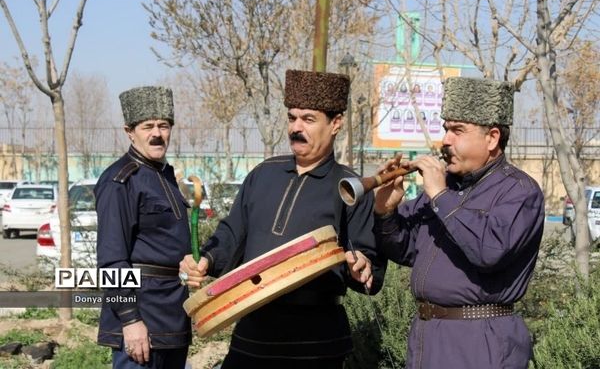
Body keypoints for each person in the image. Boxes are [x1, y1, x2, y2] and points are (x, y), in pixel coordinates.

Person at [180, 69, 386, 369]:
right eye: (292, 118)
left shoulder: (351, 187)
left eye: (308, 119)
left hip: (315, 346)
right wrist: (206, 259)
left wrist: (361, 266)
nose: (296, 128)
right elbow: (232, 234)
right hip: (252, 336)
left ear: (336, 123)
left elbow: (370, 265)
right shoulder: (263, 174)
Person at [373, 77, 544, 369]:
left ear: (491, 138)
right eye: (445, 129)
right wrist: (386, 211)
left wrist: (440, 195)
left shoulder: (520, 191)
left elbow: (489, 251)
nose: (446, 140)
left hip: (480, 340)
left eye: (458, 130)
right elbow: (405, 250)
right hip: (427, 336)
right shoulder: (446, 187)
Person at [95, 86, 191, 368]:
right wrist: (130, 318)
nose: (157, 133)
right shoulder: (120, 181)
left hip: (173, 314)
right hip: (142, 319)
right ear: (129, 132)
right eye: (148, 126)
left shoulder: (166, 176)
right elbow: (111, 260)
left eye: (163, 125)